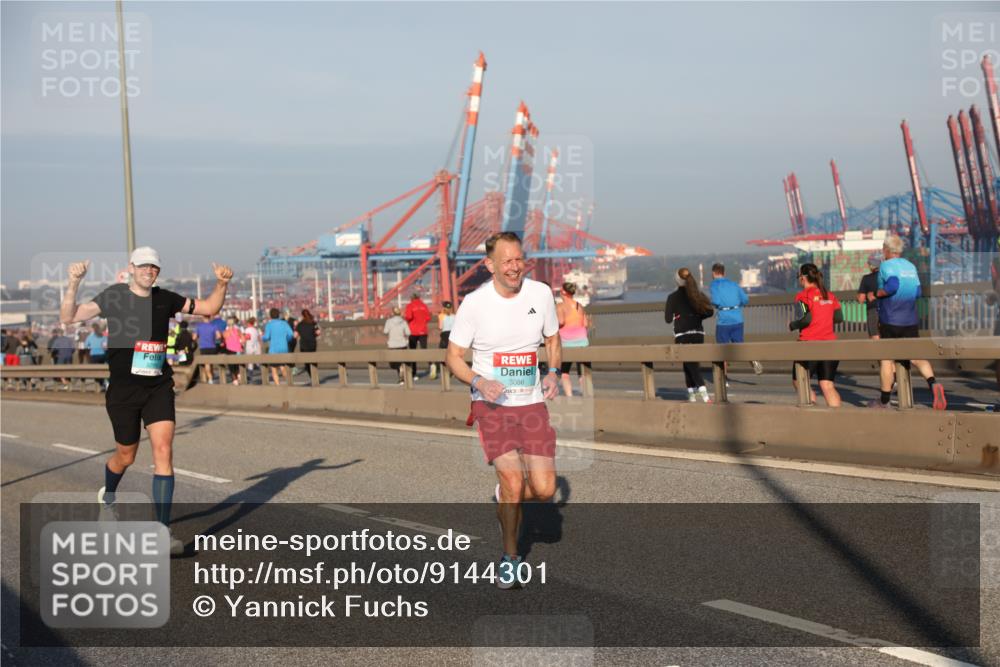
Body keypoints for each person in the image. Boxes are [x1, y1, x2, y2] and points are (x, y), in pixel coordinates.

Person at [59, 247, 233, 555]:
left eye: (153, 266)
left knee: (163, 451)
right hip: (124, 390)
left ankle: (163, 532)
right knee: (125, 456)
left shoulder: (166, 298)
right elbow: (69, 317)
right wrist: (73, 283)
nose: (148, 270)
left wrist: (221, 284)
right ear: (131, 268)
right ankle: (108, 497)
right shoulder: (113, 296)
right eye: (143, 266)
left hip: (158, 386)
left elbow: (209, 308)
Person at [446, 231, 561, 590]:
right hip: (492, 405)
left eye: (519, 259)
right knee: (513, 480)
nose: (514, 267)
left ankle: (504, 499)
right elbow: (453, 358)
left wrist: (554, 371)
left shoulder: (540, 294)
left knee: (543, 489)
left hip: (531, 403)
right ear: (490, 265)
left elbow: (553, 338)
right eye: (506, 261)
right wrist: (479, 382)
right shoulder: (475, 305)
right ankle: (510, 557)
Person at [866, 234, 946, 410]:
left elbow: (892, 286)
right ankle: (933, 384)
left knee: (886, 359)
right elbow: (917, 292)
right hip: (910, 320)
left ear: (886, 250)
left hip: (890, 320)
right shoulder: (910, 266)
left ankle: (884, 402)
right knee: (917, 356)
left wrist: (877, 294)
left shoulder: (886, 265)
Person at [789, 263, 843, 408]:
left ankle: (812, 411)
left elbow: (805, 319)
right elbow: (839, 318)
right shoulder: (829, 295)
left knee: (799, 380)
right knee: (827, 384)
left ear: (802, 278)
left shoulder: (802, 296)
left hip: (809, 345)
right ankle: (838, 419)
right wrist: (823, 318)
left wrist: (793, 325)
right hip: (830, 344)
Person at [664, 267, 714, 403]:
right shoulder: (697, 294)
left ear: (676, 281)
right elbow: (710, 312)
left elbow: (668, 319)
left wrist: (679, 315)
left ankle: (704, 394)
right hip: (698, 334)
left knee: (691, 364)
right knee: (689, 364)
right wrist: (696, 316)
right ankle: (691, 394)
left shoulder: (672, 297)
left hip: (682, 335)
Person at [709, 263, 763, 377]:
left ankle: (723, 377)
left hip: (724, 320)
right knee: (740, 344)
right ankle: (752, 359)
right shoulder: (734, 284)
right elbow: (745, 299)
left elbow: (716, 301)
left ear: (714, 273)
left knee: (722, 350)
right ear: (724, 273)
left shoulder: (714, 285)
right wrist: (737, 305)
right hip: (737, 318)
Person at [556, 282, 590, 397]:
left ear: (564, 292)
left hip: (567, 344)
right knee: (583, 373)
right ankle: (586, 396)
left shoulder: (560, 306)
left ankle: (569, 397)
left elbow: (560, 322)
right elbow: (585, 323)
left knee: (565, 373)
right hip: (582, 342)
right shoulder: (579, 305)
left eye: (560, 291)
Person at [262, 308, 294, 385]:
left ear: (270, 316)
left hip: (273, 350)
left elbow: (266, 337)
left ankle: (278, 386)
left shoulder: (269, 325)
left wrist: (262, 338)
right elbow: (291, 334)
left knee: (274, 369)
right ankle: (289, 383)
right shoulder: (284, 323)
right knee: (283, 367)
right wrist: (287, 340)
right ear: (278, 315)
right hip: (284, 348)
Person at [404, 293, 431, 379]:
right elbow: (428, 318)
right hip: (423, 330)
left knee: (413, 352)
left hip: (413, 331)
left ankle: (414, 372)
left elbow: (408, 316)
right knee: (424, 350)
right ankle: (431, 365)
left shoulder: (410, 305)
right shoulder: (424, 305)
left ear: (411, 298)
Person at [383, 306, 411, 384]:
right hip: (402, 344)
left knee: (394, 362)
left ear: (392, 313)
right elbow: (408, 333)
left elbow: (385, 331)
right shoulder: (403, 321)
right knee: (402, 360)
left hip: (392, 345)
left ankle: (400, 375)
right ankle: (402, 372)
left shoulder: (388, 321)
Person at [857, 254, 881, 340]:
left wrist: (858, 295)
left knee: (874, 334)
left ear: (872, 266)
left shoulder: (866, 278)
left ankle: (877, 353)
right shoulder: (885, 277)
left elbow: (861, 299)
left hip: (873, 310)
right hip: (887, 309)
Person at [430, 301, 456, 380]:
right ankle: (452, 371)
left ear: (444, 308)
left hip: (444, 335)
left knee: (441, 353)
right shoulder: (455, 316)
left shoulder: (441, 316)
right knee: (452, 354)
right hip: (452, 336)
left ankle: (434, 366)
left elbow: (440, 327)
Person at [193, 315, 221, 385]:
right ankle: (210, 377)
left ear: (203, 318)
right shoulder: (214, 326)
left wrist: (200, 337)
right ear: (210, 318)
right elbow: (219, 336)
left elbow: (194, 337)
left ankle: (210, 379)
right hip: (212, 346)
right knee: (210, 363)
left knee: (207, 364)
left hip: (203, 347)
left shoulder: (199, 326)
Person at [295, 309, 320, 380]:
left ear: (302, 316)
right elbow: (318, 332)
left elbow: (295, 335)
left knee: (307, 363)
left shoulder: (299, 324)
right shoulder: (313, 323)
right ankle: (315, 376)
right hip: (312, 344)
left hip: (304, 345)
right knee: (313, 360)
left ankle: (312, 377)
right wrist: (313, 335)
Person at [222, 316, 246, 384]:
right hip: (238, 349)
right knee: (238, 363)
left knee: (231, 365)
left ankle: (235, 379)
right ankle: (238, 375)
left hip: (230, 350)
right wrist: (241, 343)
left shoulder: (226, 332)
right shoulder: (238, 331)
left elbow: (223, 341)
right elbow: (243, 339)